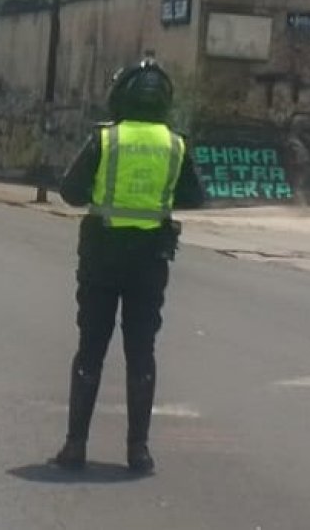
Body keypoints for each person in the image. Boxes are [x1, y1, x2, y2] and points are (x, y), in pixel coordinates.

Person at [52, 57, 205, 474]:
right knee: (141, 352)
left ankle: (75, 445)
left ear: (121, 96)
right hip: (150, 261)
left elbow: (70, 191)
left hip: (102, 256)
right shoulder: (175, 144)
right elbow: (194, 197)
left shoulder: (106, 139)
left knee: (91, 348)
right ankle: (138, 451)